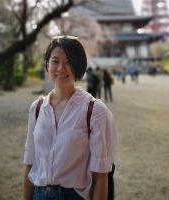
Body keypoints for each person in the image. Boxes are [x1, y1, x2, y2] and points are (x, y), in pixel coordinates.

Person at [23, 36, 116, 200]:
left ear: (79, 66)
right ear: (47, 65)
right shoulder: (37, 109)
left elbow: (101, 175)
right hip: (39, 194)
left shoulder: (95, 111)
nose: (61, 68)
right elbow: (30, 163)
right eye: (55, 61)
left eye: (69, 62)